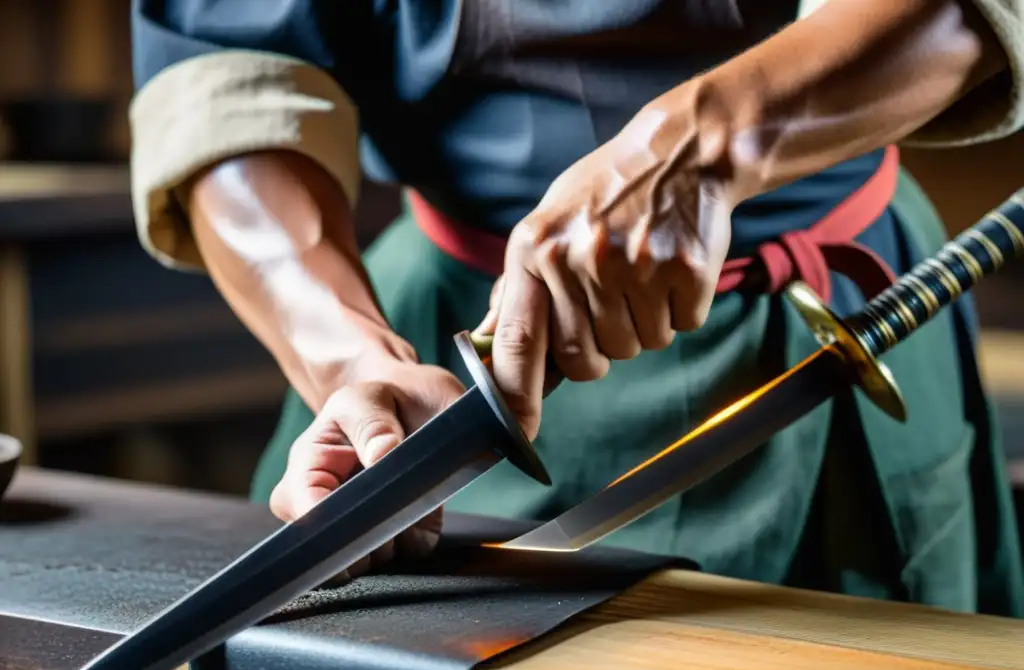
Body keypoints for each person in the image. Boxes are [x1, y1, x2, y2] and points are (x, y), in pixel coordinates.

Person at [128, 0, 1024, 616]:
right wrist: (351, 359)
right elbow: (223, 67)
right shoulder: (376, 361)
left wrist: (701, 147)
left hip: (827, 327)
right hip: (441, 347)